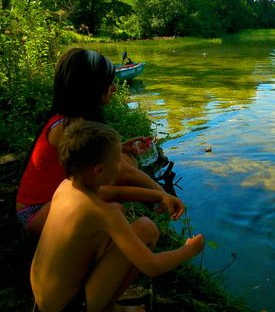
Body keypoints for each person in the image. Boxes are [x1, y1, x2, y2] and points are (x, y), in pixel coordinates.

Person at [30, 120, 205, 312]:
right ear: (99, 170)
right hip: (72, 307)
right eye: (118, 160)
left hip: (45, 300)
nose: (123, 165)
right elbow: (152, 266)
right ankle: (110, 307)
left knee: (137, 227)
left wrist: (161, 195)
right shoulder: (104, 212)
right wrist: (189, 250)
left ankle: (109, 305)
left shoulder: (67, 187)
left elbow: (114, 193)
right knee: (145, 229)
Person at [16, 48, 184, 235]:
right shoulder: (71, 126)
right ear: (90, 86)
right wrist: (160, 194)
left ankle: (153, 202)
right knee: (116, 189)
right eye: (108, 82)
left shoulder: (67, 117)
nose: (114, 87)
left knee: (125, 158)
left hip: (51, 202)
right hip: (37, 212)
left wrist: (121, 147)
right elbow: (122, 173)